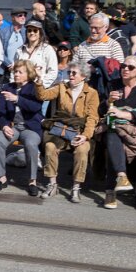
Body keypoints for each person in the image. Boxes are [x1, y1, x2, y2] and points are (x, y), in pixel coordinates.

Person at [34, 61, 100, 203]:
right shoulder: (62, 87)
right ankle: (52, 184)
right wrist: (39, 80)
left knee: (82, 150)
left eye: (74, 73)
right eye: (69, 72)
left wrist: (85, 136)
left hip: (80, 131)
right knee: (49, 146)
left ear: (83, 76)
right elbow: (43, 95)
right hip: (61, 130)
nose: (70, 75)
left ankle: (76, 187)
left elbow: (92, 118)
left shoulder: (92, 93)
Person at [101, 55, 136, 210]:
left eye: (130, 67)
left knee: (114, 139)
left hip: (135, 131)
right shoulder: (113, 84)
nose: (125, 69)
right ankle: (120, 178)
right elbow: (101, 110)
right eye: (123, 66)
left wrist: (125, 114)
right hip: (115, 128)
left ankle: (112, 189)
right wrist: (109, 101)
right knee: (112, 135)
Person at [0, 60, 44, 195]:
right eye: (15, 71)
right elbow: (0, 111)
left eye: (20, 72)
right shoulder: (7, 87)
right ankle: (1, 178)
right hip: (12, 126)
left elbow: (36, 107)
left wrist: (17, 99)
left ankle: (32, 181)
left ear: (28, 74)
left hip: (30, 127)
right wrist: (3, 126)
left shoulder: (34, 88)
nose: (16, 74)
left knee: (31, 143)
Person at [15, 20, 57, 88]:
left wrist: (40, 86)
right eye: (29, 30)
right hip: (20, 88)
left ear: (40, 33)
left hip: (39, 89)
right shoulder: (19, 50)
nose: (32, 33)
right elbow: (14, 70)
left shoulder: (47, 49)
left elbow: (53, 72)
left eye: (35, 30)